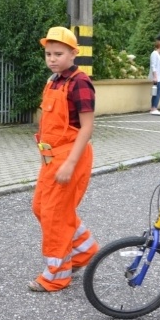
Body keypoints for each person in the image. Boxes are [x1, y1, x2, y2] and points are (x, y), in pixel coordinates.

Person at [29, 26, 99, 292]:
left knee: (55, 215)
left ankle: (56, 276)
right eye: (48, 54)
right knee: (41, 208)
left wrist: (70, 163)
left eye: (58, 53)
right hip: (51, 159)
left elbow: (87, 127)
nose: (52, 59)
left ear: (74, 53)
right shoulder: (53, 81)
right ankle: (85, 250)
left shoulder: (79, 82)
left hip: (71, 157)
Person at [148, 40, 160, 115]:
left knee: (156, 92)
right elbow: (153, 66)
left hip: (159, 76)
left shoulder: (158, 54)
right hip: (156, 76)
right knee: (159, 92)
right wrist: (155, 76)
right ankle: (154, 108)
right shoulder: (154, 54)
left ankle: (153, 108)